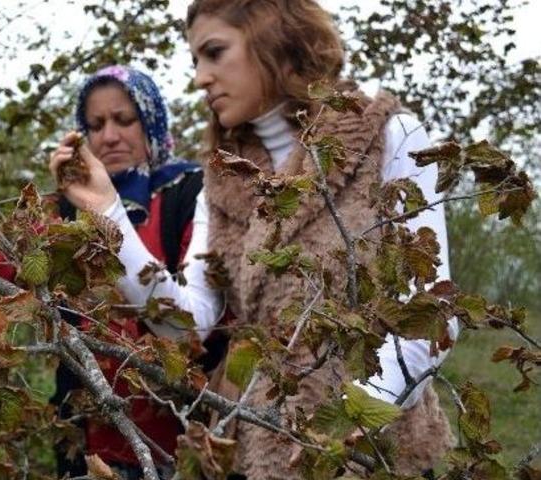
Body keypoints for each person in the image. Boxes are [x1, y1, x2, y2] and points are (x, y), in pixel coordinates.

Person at [184, 0, 458, 478]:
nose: (201, 78)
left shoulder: (384, 134)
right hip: (253, 439)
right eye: (196, 61)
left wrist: (349, 423)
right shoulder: (222, 176)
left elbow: (434, 313)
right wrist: (106, 213)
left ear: (272, 37)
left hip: (372, 443)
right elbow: (188, 317)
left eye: (214, 52)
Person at [48, 65, 223, 479]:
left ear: (152, 122)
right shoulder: (68, 211)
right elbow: (3, 257)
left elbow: (198, 314)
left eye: (125, 120)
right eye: (95, 125)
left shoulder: (189, 192)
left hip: (181, 446)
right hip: (93, 450)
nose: (109, 136)